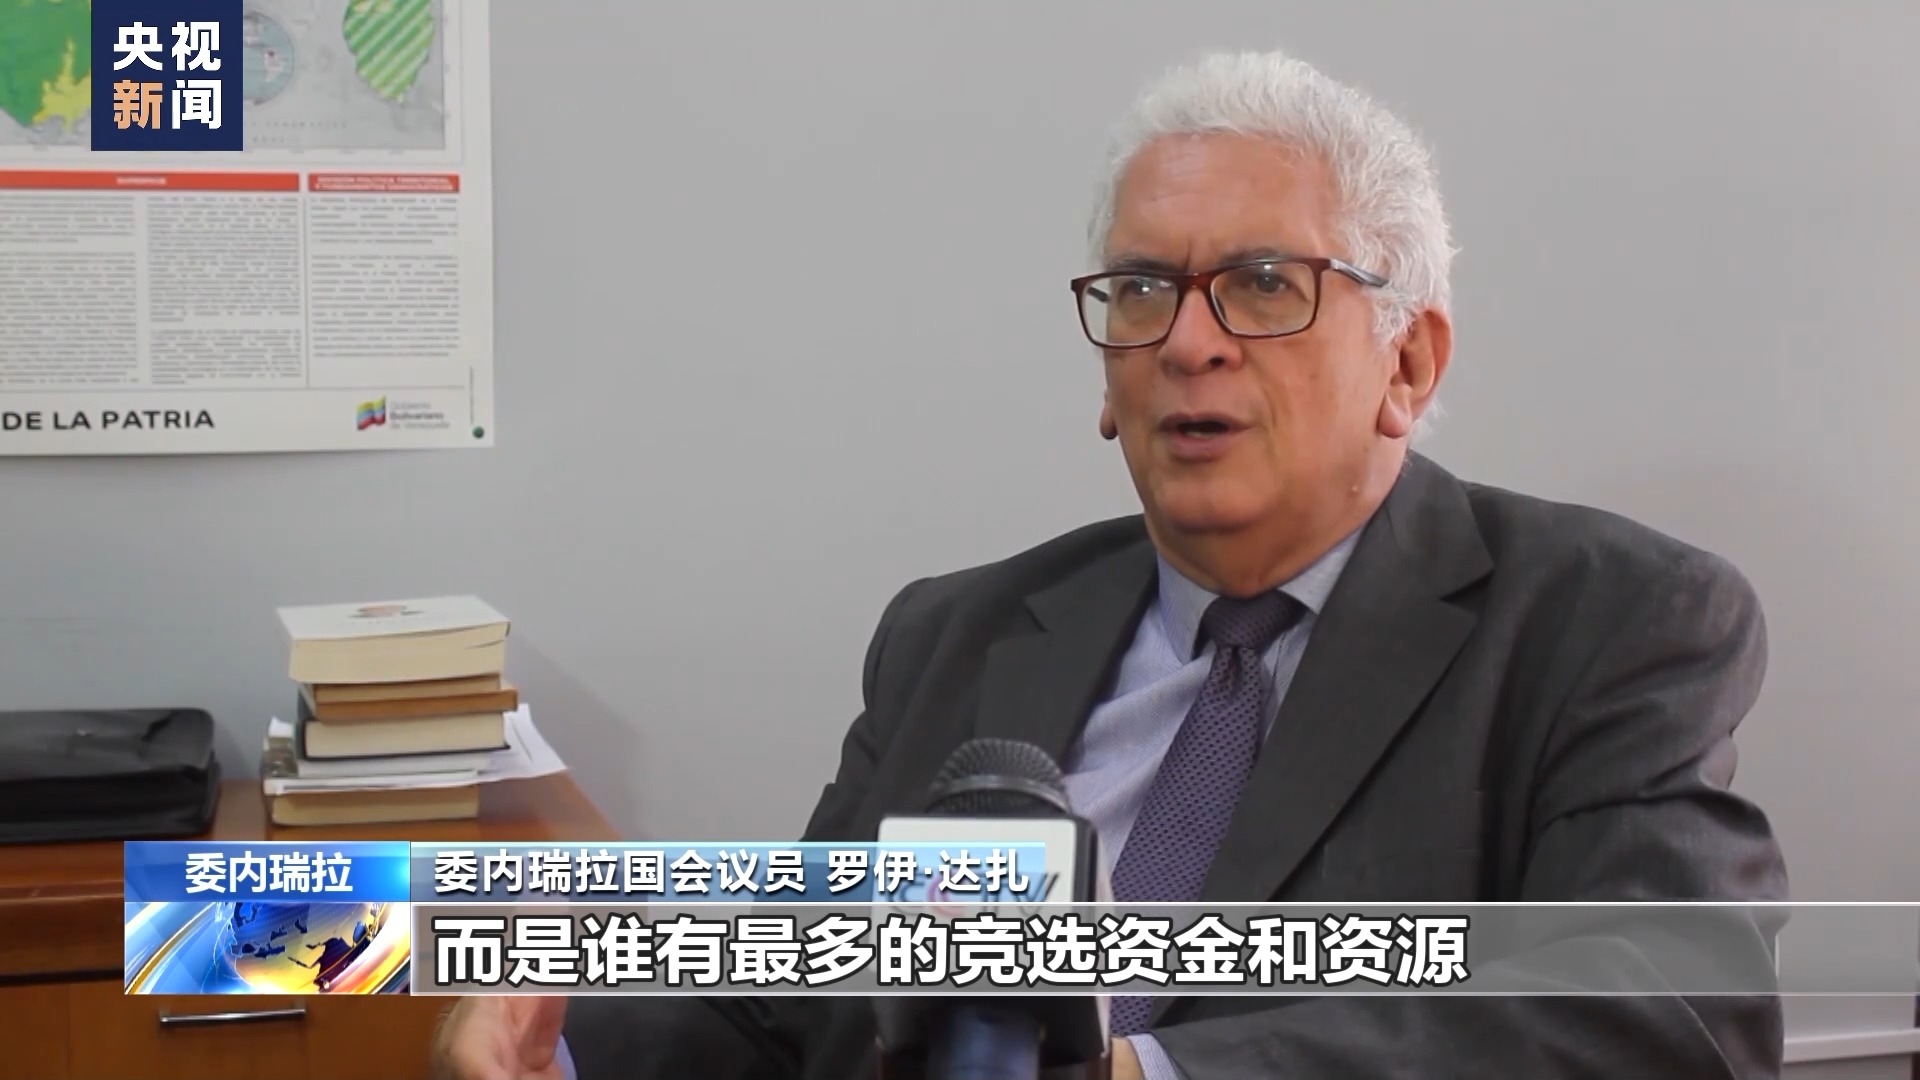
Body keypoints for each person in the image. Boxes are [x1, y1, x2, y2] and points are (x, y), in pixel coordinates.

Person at [434, 47, 1787, 1080]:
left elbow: (1671, 1011)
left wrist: (1147, 1077)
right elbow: (797, 1006)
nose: (1188, 343)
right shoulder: (958, 635)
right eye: (1141, 291)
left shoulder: (1610, 621)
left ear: (1410, 363)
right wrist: (556, 1034)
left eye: (1264, 285)